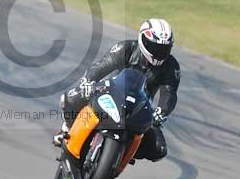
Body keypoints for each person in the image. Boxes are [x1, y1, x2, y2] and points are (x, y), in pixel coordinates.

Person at [54, 18, 179, 162]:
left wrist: (161, 112)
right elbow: (101, 66)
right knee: (72, 97)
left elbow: (169, 94)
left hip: (140, 107)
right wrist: (88, 81)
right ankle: (67, 129)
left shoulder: (171, 66)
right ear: (143, 40)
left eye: (164, 49)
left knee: (159, 149)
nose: (159, 53)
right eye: (155, 47)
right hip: (111, 92)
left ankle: (126, 150)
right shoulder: (127, 48)